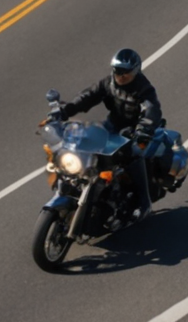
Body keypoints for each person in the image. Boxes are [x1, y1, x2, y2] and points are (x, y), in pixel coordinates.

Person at [53, 48, 163, 218]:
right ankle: (73, 189)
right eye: (118, 71)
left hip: (134, 131)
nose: (121, 75)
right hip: (112, 125)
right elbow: (88, 96)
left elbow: (151, 110)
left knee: (135, 154)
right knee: (83, 145)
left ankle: (144, 202)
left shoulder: (144, 89)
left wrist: (143, 129)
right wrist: (65, 111)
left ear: (135, 71)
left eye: (126, 72)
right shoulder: (108, 83)